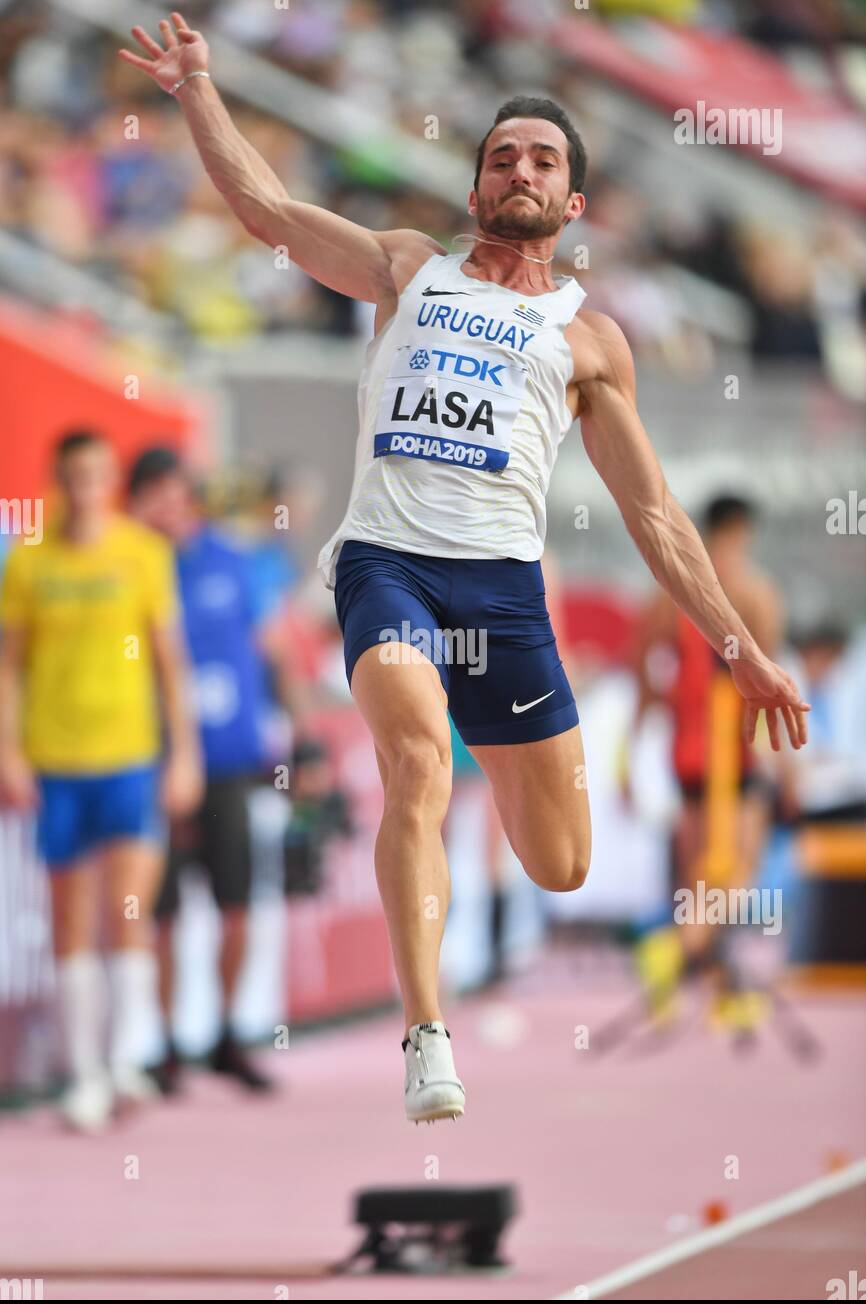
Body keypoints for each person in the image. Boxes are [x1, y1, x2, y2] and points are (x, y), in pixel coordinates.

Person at [120, 14, 809, 1124]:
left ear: (570, 204)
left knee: (563, 863)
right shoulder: (407, 269)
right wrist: (199, 86)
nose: (519, 170)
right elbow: (266, 212)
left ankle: (488, 736)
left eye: (541, 160)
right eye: (501, 156)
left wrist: (741, 652)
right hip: (388, 566)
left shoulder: (588, 344)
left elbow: (656, 518)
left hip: (502, 593)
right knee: (412, 764)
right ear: (477, 183)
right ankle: (426, 1033)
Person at [0, 431, 202, 1131]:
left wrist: (185, 756)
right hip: (57, 760)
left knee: (128, 910)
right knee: (70, 916)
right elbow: (9, 667)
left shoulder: (142, 555)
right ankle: (82, 1073)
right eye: (74, 475)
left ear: (110, 480)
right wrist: (10, 752)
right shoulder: (30, 564)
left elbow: (170, 666)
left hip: (129, 756)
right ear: (61, 480)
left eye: (97, 475)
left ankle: (124, 1060)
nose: (86, 487)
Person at [127, 446, 295, 1093]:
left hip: (229, 760)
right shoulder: (135, 564)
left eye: (174, 492)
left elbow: (276, 648)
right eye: (152, 494)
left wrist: (300, 732)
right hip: (154, 762)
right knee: (161, 910)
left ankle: (226, 1034)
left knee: (237, 903)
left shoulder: (235, 560)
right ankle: (166, 1044)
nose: (166, 507)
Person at [630, 496, 785, 1025]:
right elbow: (769, 684)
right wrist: (783, 765)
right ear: (740, 530)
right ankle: (673, 951)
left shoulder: (668, 594)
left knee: (698, 876)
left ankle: (721, 990)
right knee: (733, 873)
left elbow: (641, 673)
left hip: (687, 753)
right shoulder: (755, 593)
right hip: (735, 755)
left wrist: (637, 740)